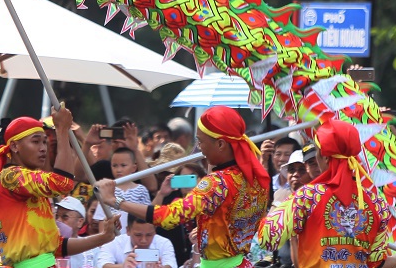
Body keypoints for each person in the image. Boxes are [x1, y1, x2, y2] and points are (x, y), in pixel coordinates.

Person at [97, 106, 271, 268]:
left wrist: (115, 200)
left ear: (220, 144)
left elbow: (169, 217)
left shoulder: (216, 184)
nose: (199, 148)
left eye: (200, 141)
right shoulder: (255, 177)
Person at [259, 119, 396, 268]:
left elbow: (267, 239)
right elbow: (377, 265)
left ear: (325, 158)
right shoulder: (376, 203)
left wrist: (278, 204)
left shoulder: (307, 196)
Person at [0, 109, 117, 268]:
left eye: (44, 142)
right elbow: (63, 183)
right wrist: (62, 130)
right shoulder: (10, 177)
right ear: (14, 146)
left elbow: (56, 246)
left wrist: (103, 238)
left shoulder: (34, 186)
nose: (43, 148)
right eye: (35, 141)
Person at [94, 147, 152, 234]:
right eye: (115, 166)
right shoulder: (107, 190)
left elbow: (148, 217)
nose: (119, 170)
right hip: (113, 240)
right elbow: (102, 220)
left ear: (134, 167)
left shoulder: (141, 190)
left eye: (123, 165)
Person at [97, 215, 178, 268]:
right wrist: (123, 266)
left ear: (155, 231)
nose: (143, 240)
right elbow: (102, 265)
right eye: (138, 235)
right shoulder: (114, 243)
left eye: (149, 235)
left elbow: (171, 265)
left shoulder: (164, 243)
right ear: (128, 231)